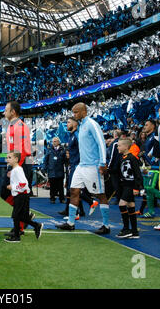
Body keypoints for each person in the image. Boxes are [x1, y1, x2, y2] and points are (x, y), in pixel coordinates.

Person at [56, 102, 110, 234]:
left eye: (76, 112)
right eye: (73, 113)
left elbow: (101, 143)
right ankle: (71, 223)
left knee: (100, 194)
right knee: (73, 190)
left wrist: (102, 162)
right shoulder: (81, 127)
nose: (74, 115)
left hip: (93, 166)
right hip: (81, 165)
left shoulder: (91, 124)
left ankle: (106, 225)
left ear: (83, 111)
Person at [0, 101, 34, 237]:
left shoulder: (18, 126)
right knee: (7, 192)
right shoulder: (13, 126)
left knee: (16, 195)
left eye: (6, 110)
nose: (4, 112)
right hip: (18, 162)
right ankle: (25, 216)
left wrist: (15, 167)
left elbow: (20, 150)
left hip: (21, 163)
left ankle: (20, 226)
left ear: (13, 112)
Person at [4, 151, 43, 243]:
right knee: (21, 216)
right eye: (7, 157)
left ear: (16, 159)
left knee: (16, 216)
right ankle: (36, 225)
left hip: (21, 195)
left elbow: (23, 184)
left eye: (10, 157)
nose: (7, 159)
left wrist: (12, 187)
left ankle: (16, 236)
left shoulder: (17, 170)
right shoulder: (16, 170)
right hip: (21, 195)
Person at [115, 138, 143, 239]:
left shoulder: (132, 158)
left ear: (126, 147)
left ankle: (126, 228)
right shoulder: (121, 157)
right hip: (125, 185)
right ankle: (134, 231)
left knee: (122, 204)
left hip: (131, 185)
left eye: (119, 145)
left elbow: (137, 174)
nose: (118, 147)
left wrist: (137, 187)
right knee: (131, 206)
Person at [42, 137, 66, 204]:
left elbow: (65, 160)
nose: (54, 143)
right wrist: (44, 169)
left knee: (60, 186)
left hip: (60, 171)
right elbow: (45, 160)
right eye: (53, 141)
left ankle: (62, 199)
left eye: (55, 141)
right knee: (52, 186)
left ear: (58, 142)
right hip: (52, 171)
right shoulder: (49, 150)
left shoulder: (62, 150)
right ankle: (52, 198)